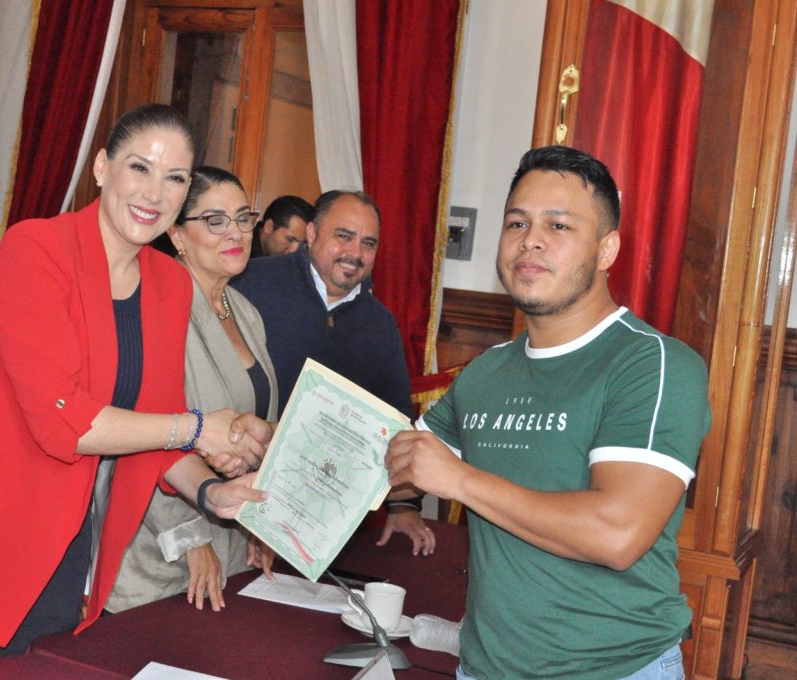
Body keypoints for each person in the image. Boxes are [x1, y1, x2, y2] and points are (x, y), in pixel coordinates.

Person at [0, 104, 270, 680]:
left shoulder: (168, 283)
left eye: (175, 178)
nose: (154, 193)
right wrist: (199, 428)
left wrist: (212, 493)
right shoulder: (36, 250)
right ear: (102, 168)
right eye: (140, 167)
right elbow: (69, 422)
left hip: (58, 543)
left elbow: (153, 426)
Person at [385, 145, 710, 679]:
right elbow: (393, 457)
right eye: (517, 223)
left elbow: (617, 534)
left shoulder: (653, 364)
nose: (530, 240)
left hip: (612, 671)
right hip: (483, 667)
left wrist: (460, 480)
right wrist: (269, 440)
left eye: (558, 225)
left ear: (606, 250)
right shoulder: (487, 371)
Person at [107, 166, 277, 614]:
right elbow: (138, 434)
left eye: (243, 218)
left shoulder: (245, 311)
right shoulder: (153, 306)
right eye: (215, 220)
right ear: (178, 235)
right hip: (162, 548)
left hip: (231, 536)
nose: (235, 232)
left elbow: (255, 423)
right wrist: (188, 537)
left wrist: (259, 520)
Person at [234, 190, 436, 556]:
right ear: (311, 234)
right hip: (233, 498)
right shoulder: (249, 285)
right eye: (344, 236)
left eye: (368, 243)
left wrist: (404, 505)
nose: (355, 253)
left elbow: (395, 425)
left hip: (326, 524)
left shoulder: (380, 325)